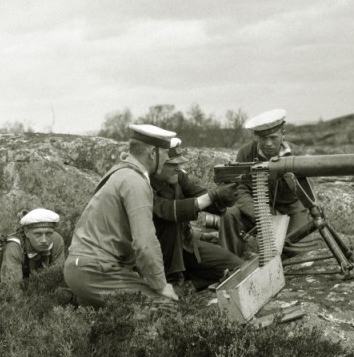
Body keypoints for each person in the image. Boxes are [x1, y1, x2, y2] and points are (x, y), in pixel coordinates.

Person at [63, 124, 179, 309]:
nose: (167, 158)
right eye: (165, 152)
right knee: (166, 306)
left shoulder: (120, 172)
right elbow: (145, 243)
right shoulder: (135, 182)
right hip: (96, 271)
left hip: (82, 268)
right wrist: (161, 285)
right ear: (152, 153)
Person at [150, 138, 243, 291]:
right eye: (173, 164)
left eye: (180, 164)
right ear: (157, 163)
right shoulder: (142, 184)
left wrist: (224, 197)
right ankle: (172, 283)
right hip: (158, 254)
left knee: (236, 268)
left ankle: (187, 286)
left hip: (184, 244)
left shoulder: (178, 176)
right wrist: (212, 196)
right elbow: (169, 210)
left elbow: (200, 195)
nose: (178, 168)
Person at [219, 109, 313, 258]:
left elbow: (305, 192)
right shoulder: (245, 153)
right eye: (263, 138)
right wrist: (261, 213)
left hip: (292, 209)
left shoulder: (296, 154)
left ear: (283, 134)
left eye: (273, 137)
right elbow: (240, 190)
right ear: (256, 136)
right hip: (259, 207)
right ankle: (229, 265)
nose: (268, 143)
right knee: (230, 216)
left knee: (296, 247)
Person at [0, 208, 67, 283]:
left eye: (48, 233)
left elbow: (59, 277)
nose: (44, 240)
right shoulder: (14, 247)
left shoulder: (56, 240)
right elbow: (12, 288)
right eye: (38, 234)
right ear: (26, 232)